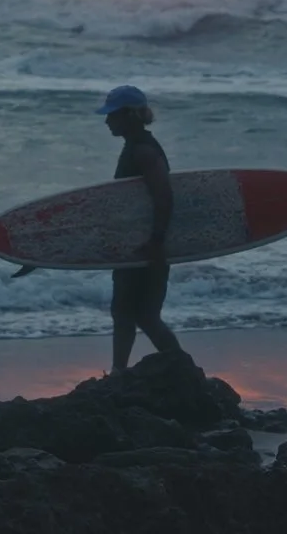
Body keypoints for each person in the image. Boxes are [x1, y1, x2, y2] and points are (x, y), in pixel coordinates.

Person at [98, 84, 184, 373]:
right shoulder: (137, 146)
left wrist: (156, 241)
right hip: (141, 244)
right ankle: (181, 371)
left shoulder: (143, 151)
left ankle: (120, 373)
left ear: (130, 115)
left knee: (130, 313)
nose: (107, 121)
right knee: (143, 315)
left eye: (112, 114)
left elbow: (164, 196)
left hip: (145, 247)